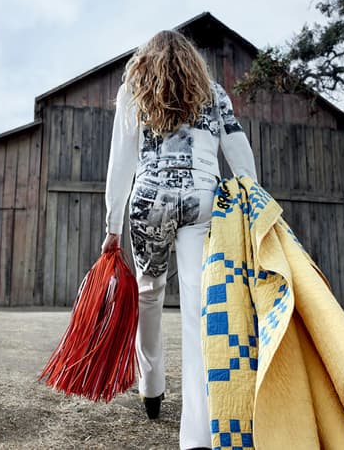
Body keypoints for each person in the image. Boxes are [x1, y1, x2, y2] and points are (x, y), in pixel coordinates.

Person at [100, 30, 258, 450]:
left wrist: (112, 224)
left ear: (145, 61)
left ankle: (150, 389)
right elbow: (238, 150)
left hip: (149, 201)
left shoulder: (134, 91)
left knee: (149, 294)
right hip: (203, 201)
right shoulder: (213, 92)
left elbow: (122, 160)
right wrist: (252, 197)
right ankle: (199, 434)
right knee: (198, 307)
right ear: (192, 61)